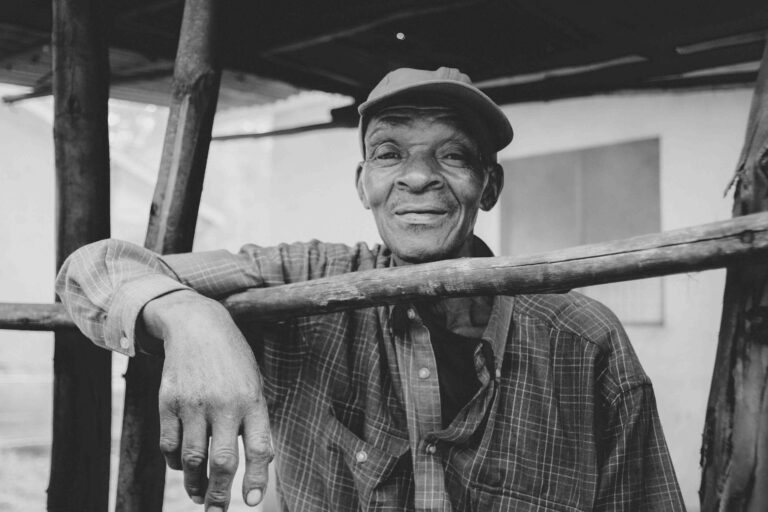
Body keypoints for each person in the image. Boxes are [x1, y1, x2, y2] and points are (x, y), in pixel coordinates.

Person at [56, 67, 686, 512]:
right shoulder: (310, 279)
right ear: (364, 184)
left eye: (452, 156)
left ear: (489, 186)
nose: (418, 178)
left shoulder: (583, 341)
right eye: (390, 154)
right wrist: (193, 321)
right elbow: (93, 270)